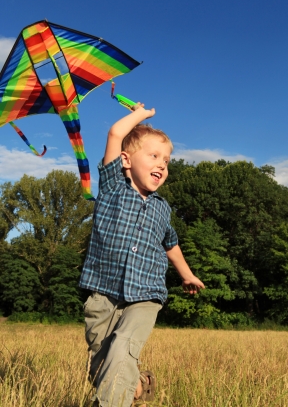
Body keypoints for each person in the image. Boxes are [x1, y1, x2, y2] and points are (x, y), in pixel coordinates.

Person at [79, 102, 205, 407]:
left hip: (146, 293)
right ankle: (140, 386)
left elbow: (170, 243)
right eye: (154, 156)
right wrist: (142, 115)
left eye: (167, 160)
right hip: (101, 293)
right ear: (125, 160)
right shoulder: (112, 188)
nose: (162, 164)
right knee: (101, 367)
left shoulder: (163, 207)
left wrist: (186, 275)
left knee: (123, 347)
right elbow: (115, 132)